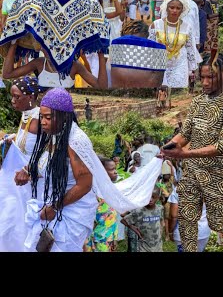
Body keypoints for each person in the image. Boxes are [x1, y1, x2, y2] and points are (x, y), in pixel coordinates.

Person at [15, 88, 163, 252]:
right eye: (41, 116)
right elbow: (47, 161)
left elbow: (84, 184)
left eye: (48, 117)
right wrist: (28, 170)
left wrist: (54, 208)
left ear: (64, 116)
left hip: (68, 212)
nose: (43, 122)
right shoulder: (54, 134)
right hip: (50, 205)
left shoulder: (75, 141)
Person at [159, 53, 223, 252]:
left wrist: (184, 155)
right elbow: (185, 133)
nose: (206, 83)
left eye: (212, 77)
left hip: (217, 172)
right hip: (192, 171)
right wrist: (169, 147)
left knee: (218, 222)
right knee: (187, 220)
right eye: (203, 78)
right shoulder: (198, 101)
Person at [0, 76, 43, 251]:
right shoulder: (27, 116)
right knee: (10, 224)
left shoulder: (40, 119)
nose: (12, 101)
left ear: (31, 97)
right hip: (20, 184)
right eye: (12, 96)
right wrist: (11, 139)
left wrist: (28, 169)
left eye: (17, 97)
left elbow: (46, 152)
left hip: (32, 183)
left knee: (21, 225)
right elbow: (27, 144)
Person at [149, 0, 202, 106]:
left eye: (178, 8)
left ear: (182, 10)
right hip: (160, 62)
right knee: (161, 89)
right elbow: (150, 46)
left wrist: (192, 68)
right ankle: (160, 107)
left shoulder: (187, 27)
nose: (174, 10)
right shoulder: (156, 25)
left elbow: (190, 48)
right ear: (166, 8)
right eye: (171, 7)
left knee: (177, 94)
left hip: (179, 62)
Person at [2, 43, 107, 89]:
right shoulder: (39, 63)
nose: (47, 51)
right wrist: (14, 44)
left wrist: (101, 54)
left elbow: (101, 86)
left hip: (64, 116)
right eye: (44, 47)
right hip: (44, 117)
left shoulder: (74, 66)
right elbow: (7, 74)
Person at [84, 157, 119, 252]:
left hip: (109, 240)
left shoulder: (110, 191)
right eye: (112, 169)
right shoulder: (94, 194)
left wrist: (115, 238)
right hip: (97, 242)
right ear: (101, 172)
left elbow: (112, 218)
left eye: (115, 168)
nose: (116, 172)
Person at [121, 187, 164, 252]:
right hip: (144, 247)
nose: (150, 199)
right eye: (149, 197)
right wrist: (134, 229)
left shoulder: (160, 209)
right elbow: (123, 220)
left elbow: (161, 220)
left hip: (158, 246)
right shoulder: (139, 211)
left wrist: (161, 229)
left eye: (153, 197)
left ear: (158, 198)